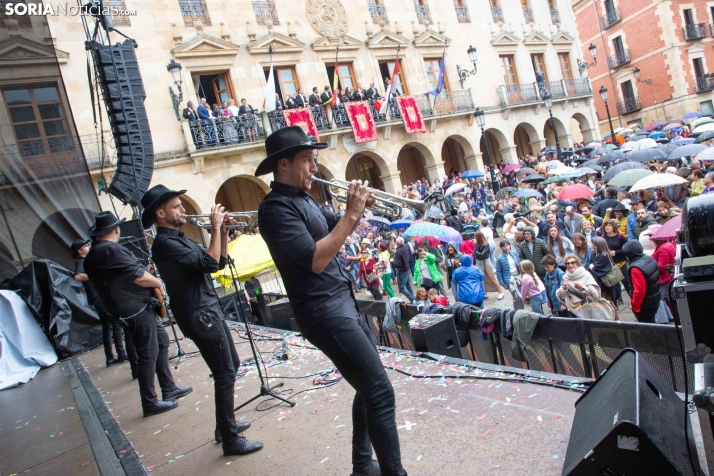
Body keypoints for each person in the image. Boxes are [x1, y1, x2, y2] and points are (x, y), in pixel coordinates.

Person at [255, 126, 406, 475]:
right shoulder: (274, 210)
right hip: (323, 313)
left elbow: (337, 226)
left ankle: (361, 466)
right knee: (379, 392)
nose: (313, 167)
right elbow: (316, 259)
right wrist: (352, 215)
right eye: (307, 160)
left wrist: (359, 209)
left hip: (342, 304)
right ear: (283, 165)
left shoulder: (305, 199)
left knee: (368, 385)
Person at [143, 185, 262, 455]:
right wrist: (216, 227)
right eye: (176, 206)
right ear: (160, 213)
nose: (183, 209)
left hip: (207, 310)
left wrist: (218, 231)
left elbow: (217, 262)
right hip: (200, 314)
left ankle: (224, 427)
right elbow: (209, 264)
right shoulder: (165, 244)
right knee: (225, 372)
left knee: (230, 365)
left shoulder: (178, 238)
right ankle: (230, 439)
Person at [83, 211, 192, 417]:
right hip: (135, 308)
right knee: (148, 353)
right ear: (116, 229)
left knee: (161, 341)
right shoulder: (110, 250)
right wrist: (158, 282)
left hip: (127, 309)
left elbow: (122, 276)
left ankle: (168, 388)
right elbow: (139, 278)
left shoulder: (94, 254)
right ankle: (149, 402)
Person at [72, 238, 131, 368]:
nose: (88, 247)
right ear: (80, 250)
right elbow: (77, 276)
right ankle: (121, 353)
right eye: (86, 246)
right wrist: (95, 274)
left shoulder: (85, 262)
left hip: (96, 297)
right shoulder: (81, 262)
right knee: (116, 322)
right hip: (98, 297)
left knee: (107, 326)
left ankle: (110, 357)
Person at [623, 241, 660, 323]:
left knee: (647, 328)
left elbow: (639, 291)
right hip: (654, 298)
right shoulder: (649, 258)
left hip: (645, 304)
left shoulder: (635, 268)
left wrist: (634, 305)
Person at [555, 254, 603, 318]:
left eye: (572, 263)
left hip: (588, 307)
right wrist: (564, 288)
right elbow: (563, 297)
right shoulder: (565, 278)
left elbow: (596, 294)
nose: (570, 265)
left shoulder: (586, 274)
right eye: (568, 263)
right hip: (573, 310)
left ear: (577, 264)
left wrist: (582, 288)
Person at [588, 237, 620, 318]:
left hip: (606, 283)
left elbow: (595, 268)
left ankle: (614, 318)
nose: (591, 244)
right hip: (600, 281)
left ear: (597, 245)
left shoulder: (604, 255)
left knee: (608, 301)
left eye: (593, 243)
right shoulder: (594, 253)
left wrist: (592, 266)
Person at [472, 231, 504, 299]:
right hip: (479, 262)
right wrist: (476, 253)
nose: (474, 238)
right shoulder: (477, 244)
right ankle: (484, 293)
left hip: (486, 262)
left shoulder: (486, 244)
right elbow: (474, 253)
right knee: (481, 279)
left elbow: (482, 254)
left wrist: (476, 253)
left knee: (492, 278)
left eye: (475, 237)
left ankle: (500, 292)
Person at [651, 236, 677, 320]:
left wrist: (649, 264)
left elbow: (662, 266)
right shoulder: (669, 244)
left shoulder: (663, 249)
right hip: (670, 276)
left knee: (671, 302)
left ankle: (678, 321)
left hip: (666, 278)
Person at [393, 236, 415, 302]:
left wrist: (393, 261)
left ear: (397, 243)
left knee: (402, 288)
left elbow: (398, 264)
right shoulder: (405, 246)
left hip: (402, 271)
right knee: (408, 284)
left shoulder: (398, 251)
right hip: (407, 268)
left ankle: (413, 299)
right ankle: (413, 299)